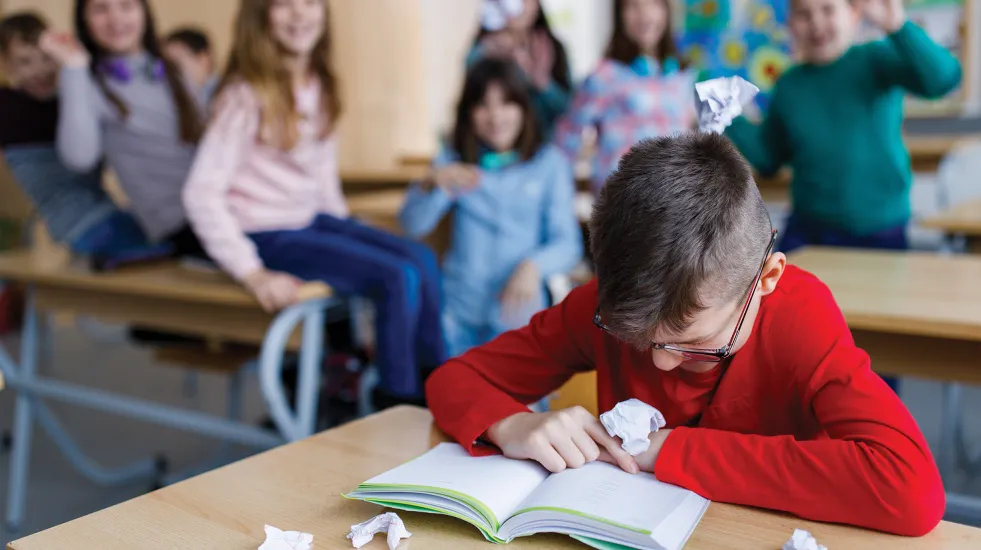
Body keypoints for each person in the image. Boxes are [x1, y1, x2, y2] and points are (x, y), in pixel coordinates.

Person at [425, 130, 945, 536]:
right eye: (638, 339)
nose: (660, 365)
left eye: (695, 345)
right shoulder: (607, 306)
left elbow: (910, 489)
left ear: (766, 280)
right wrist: (510, 424)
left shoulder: (800, 316)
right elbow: (454, 380)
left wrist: (673, 450)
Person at [182, 0, 445, 405]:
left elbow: (320, 176)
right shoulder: (243, 94)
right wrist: (252, 273)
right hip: (266, 232)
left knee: (422, 260)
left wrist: (350, 236)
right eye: (283, 5)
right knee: (397, 276)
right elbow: (200, 192)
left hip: (311, 220)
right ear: (261, 15)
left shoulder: (318, 82)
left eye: (309, 2)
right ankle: (400, 401)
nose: (299, 13)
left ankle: (444, 386)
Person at [725, 0, 960, 254]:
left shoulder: (876, 59)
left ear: (853, 14)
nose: (816, 23)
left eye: (827, 9)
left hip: (881, 229)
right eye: (804, 14)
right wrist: (727, 115)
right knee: (780, 287)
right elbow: (769, 159)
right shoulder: (789, 85)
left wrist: (897, 26)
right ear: (790, 24)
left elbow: (943, 79)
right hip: (809, 229)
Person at [400, 58, 582, 358]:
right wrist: (430, 184)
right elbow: (412, 224)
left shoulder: (550, 163)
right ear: (469, 112)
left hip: (518, 313)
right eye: (483, 105)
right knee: (459, 399)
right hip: (458, 311)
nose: (495, 116)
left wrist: (533, 266)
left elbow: (568, 244)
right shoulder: (454, 159)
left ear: (523, 108)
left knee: (523, 403)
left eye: (506, 103)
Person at [38, 0, 208, 261]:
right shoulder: (87, 83)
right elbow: (79, 158)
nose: (116, 19)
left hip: (223, 213)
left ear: (144, 13)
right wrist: (74, 66)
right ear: (85, 21)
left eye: (126, 6)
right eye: (100, 9)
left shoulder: (173, 72)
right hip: (182, 227)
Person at [0, 11, 149, 257]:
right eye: (25, 62)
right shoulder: (7, 106)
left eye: (46, 58)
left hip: (105, 212)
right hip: (79, 226)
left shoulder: (73, 95)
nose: (40, 70)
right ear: (5, 64)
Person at [553, 0, 696, 194]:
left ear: (666, 10)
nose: (644, 14)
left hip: (675, 200)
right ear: (620, 14)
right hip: (624, 202)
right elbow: (567, 138)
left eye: (653, 4)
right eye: (633, 6)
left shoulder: (682, 75)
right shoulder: (604, 76)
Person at [467, 0, 572, 138]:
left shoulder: (553, 49)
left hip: (545, 147)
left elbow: (573, 111)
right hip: (494, 153)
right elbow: (468, 106)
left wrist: (543, 84)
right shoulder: (482, 51)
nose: (520, 6)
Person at [163, 26, 217, 101]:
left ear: (204, 59)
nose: (171, 71)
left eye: (177, 63)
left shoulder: (222, 95)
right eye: (167, 65)